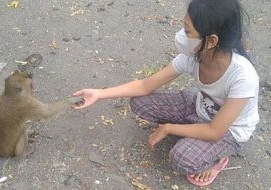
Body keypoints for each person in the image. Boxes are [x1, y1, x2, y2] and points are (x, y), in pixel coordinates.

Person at [73, 0, 259, 186]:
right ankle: (191, 133)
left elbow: (214, 131)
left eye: (187, 31)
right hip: (200, 109)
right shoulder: (194, 56)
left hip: (228, 131)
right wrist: (99, 93)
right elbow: (146, 85)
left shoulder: (243, 77)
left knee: (182, 159)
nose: (181, 35)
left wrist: (168, 128)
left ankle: (217, 159)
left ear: (211, 41)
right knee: (140, 102)